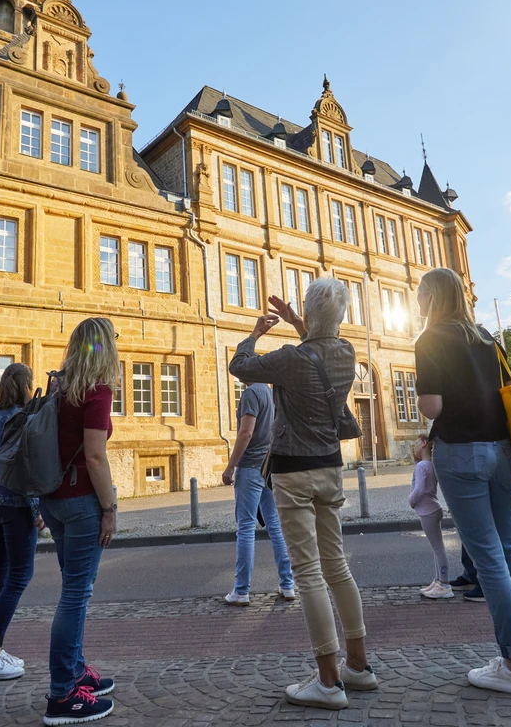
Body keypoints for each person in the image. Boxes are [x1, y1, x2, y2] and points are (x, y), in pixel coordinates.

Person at [414, 268, 511, 697]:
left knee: (488, 558)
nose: (417, 300)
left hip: (461, 453)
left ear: (432, 297)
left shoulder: (430, 339)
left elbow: (431, 406)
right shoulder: (486, 338)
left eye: (420, 293)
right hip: (503, 452)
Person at [229, 277, 376, 711]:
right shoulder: (347, 352)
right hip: (331, 468)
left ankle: (328, 682)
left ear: (310, 314)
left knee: (308, 572)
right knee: (337, 567)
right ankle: (358, 666)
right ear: (342, 316)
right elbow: (319, 347)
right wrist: (300, 322)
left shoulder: (291, 359)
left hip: (294, 472)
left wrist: (255, 333)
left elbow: (240, 365)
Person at [39, 318, 119, 724]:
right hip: (81, 501)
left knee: (74, 588)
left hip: (52, 499)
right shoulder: (97, 390)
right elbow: (95, 456)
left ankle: (74, 669)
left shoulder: (59, 387)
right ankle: (63, 695)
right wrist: (110, 508)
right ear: (105, 347)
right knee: (75, 594)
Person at [0, 363, 45, 681]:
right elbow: (26, 467)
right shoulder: (22, 417)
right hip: (15, 505)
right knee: (18, 577)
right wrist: (37, 508)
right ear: (26, 386)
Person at [221, 380, 295, 606]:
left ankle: (241, 590)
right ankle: (287, 584)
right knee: (275, 525)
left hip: (250, 467)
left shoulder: (251, 394)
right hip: (268, 467)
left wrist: (230, 466)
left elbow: (246, 432)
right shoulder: (270, 393)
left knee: (245, 528)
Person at [410, 435, 453, 599]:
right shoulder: (430, 464)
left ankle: (444, 584)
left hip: (427, 511)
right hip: (433, 508)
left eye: (416, 443)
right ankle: (438, 580)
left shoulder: (422, 466)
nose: (413, 447)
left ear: (424, 443)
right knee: (437, 548)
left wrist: (411, 501)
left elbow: (419, 488)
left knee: (438, 548)